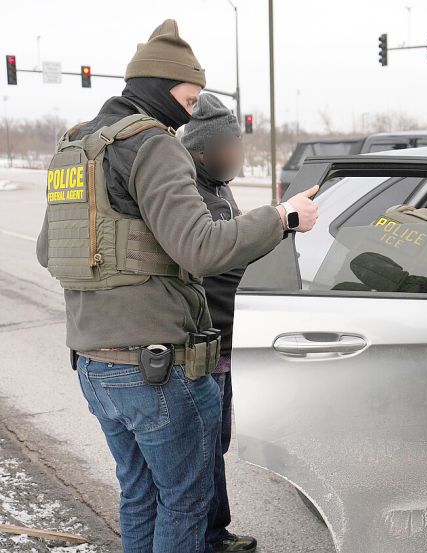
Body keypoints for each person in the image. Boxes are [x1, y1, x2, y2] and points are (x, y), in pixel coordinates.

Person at [35, 20, 319, 553]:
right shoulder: (153, 144)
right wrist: (282, 217)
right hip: (155, 368)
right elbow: (202, 248)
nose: (191, 111)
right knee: (186, 503)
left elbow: (49, 252)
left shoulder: (76, 146)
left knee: (139, 496)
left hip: (93, 365)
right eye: (189, 99)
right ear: (163, 89)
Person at [180, 93, 257, 553]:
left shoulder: (220, 188)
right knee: (203, 448)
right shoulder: (188, 193)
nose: (236, 154)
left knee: (216, 444)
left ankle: (214, 530)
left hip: (230, 341)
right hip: (203, 343)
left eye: (238, 144)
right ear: (201, 151)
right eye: (228, 146)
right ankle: (207, 537)